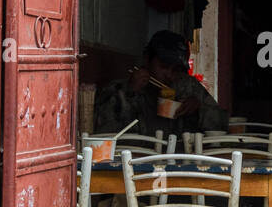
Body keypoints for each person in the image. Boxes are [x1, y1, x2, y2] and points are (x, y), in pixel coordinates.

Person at [93, 30, 228, 139]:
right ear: (147, 59)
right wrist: (130, 93)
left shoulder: (188, 86)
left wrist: (200, 108)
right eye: (164, 66)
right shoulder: (119, 89)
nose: (169, 75)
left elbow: (222, 126)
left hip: (180, 159)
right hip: (135, 161)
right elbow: (103, 134)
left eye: (176, 70)